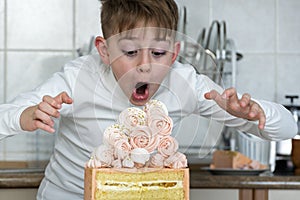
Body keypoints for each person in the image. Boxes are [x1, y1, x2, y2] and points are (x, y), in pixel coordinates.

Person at [0, 0, 297, 199]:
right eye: (130, 52)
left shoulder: (188, 83)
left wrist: (255, 114)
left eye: (158, 53)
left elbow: (286, 128)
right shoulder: (77, 78)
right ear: (104, 50)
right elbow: (7, 117)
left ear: (175, 51)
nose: (145, 65)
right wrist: (23, 116)